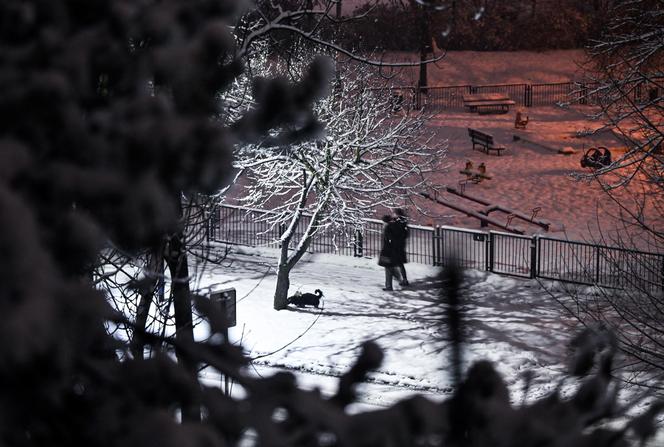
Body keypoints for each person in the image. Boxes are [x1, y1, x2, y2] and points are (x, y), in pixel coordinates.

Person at [378, 214, 401, 291]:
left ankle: (389, 285)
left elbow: (389, 240)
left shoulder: (388, 228)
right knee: (390, 267)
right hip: (391, 251)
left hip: (388, 251)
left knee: (388, 268)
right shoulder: (393, 226)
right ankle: (396, 280)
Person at [393, 209, 410, 286]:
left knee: (397, 263)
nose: (393, 215)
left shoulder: (399, 223)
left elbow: (398, 233)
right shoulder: (402, 222)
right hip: (400, 246)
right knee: (398, 264)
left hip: (397, 246)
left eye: (394, 213)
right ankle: (403, 279)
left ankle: (402, 279)